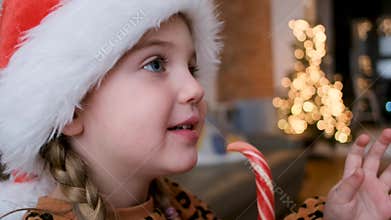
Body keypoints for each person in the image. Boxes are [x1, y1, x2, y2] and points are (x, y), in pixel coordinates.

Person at [0, 0, 390, 220]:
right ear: (71, 109)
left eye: (192, 67)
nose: (195, 88)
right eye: (155, 64)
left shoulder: (178, 207)